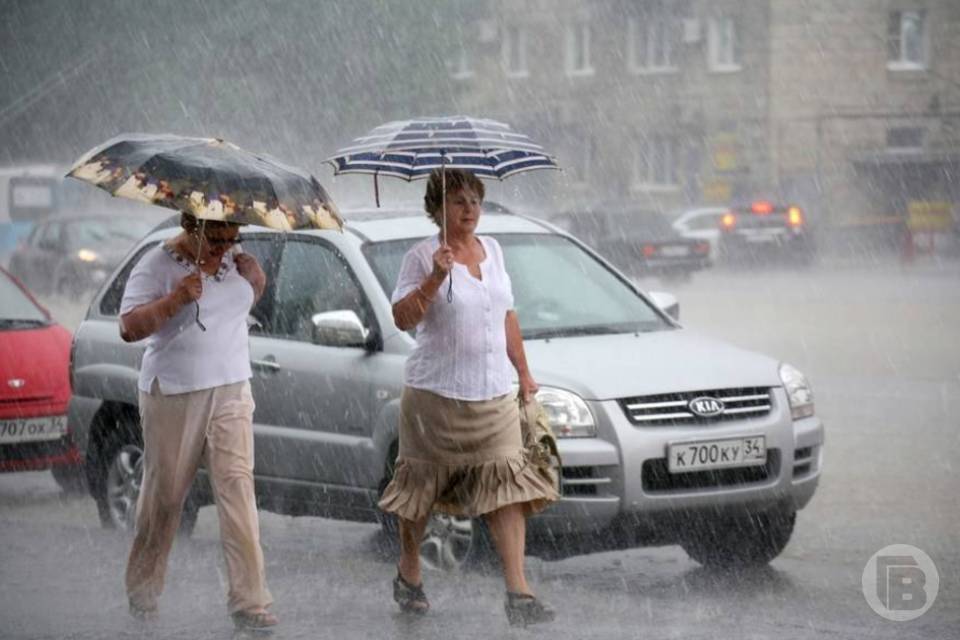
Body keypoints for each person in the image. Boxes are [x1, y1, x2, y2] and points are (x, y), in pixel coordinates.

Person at [378, 168, 559, 627]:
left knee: (507, 489)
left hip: (493, 393)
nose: (470, 210)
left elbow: (507, 316)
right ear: (437, 209)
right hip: (435, 397)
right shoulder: (421, 257)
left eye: (475, 201)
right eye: (459, 202)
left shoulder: (493, 251)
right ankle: (410, 570)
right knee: (420, 488)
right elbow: (402, 318)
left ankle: (518, 592)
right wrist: (435, 278)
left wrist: (524, 372)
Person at [119, 212, 277, 630]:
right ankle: (143, 589)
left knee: (238, 489)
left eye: (232, 237)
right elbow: (129, 327)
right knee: (166, 497)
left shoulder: (235, 258)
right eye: (216, 238)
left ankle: (250, 600)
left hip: (231, 386)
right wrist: (174, 300)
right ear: (192, 227)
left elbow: (233, 309)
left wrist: (256, 282)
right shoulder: (157, 263)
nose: (225, 247)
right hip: (174, 391)